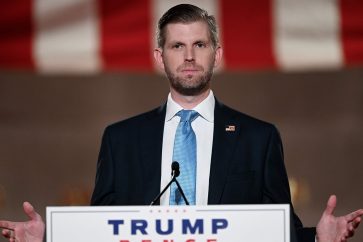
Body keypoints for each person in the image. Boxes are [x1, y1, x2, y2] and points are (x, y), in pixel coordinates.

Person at [1, 4, 362, 242]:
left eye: (199, 45)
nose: (189, 57)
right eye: (177, 46)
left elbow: (280, 229)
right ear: (160, 57)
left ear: (217, 54)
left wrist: (318, 238)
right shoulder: (120, 140)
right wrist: (48, 238)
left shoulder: (258, 138)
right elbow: (102, 230)